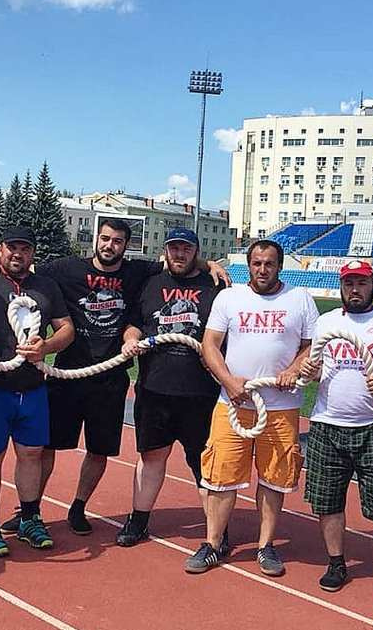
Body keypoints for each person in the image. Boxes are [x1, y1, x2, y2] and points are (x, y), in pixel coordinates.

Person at [0, 219, 230, 536]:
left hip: (110, 379)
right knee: (45, 447)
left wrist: (209, 263)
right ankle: (31, 512)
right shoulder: (67, 268)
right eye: (104, 238)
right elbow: (22, 267)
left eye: (117, 241)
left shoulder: (137, 272)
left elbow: (180, 258)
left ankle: (78, 507)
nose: (109, 245)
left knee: (98, 450)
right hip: (68, 374)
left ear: (126, 245)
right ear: (96, 240)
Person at [186, 239, 317, 575]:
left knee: (274, 479)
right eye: (256, 263)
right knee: (220, 476)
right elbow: (210, 344)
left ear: (279, 266)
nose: (262, 269)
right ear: (249, 265)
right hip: (232, 404)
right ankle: (213, 543)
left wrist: (294, 369)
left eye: (269, 263)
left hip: (281, 408)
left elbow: (311, 346)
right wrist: (228, 381)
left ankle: (266, 546)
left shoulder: (300, 298)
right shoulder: (229, 298)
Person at [298, 260, 373, 606]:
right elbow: (317, 372)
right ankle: (336, 564)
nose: (355, 289)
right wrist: (310, 371)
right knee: (327, 502)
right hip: (326, 425)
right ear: (341, 286)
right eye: (349, 283)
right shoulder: (326, 323)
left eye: (361, 283)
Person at [0, 226, 74, 557]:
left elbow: (66, 329)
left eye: (25, 248)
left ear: (32, 253)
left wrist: (47, 347)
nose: (18, 254)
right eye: (11, 247)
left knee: (31, 454)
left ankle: (30, 517)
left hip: (32, 387)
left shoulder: (46, 286)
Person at [118, 228, 223, 548]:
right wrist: (130, 339)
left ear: (196, 252)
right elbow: (135, 323)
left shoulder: (215, 286)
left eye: (186, 248)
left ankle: (216, 531)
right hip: (154, 389)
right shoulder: (150, 282)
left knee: (203, 463)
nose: (179, 254)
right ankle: (138, 520)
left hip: (200, 393)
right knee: (151, 457)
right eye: (174, 248)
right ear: (165, 251)